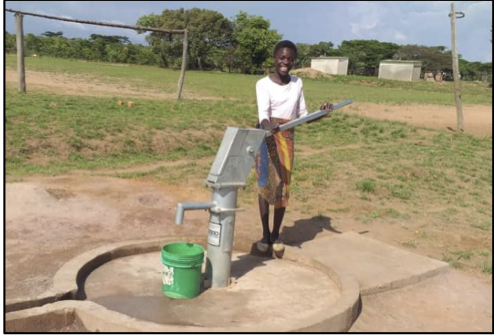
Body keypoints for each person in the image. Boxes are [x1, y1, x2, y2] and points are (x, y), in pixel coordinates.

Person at [255, 40, 332, 253]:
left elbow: (303, 115)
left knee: (282, 186)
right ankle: (264, 234)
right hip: (266, 135)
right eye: (281, 58)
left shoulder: (297, 83)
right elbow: (263, 114)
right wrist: (271, 127)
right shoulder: (263, 84)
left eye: (289, 59)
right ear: (274, 59)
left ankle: (276, 233)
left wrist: (322, 112)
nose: (285, 62)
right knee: (265, 185)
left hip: (287, 138)